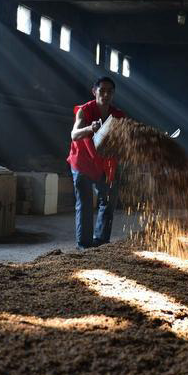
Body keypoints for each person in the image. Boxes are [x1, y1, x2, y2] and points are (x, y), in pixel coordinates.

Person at [66, 77, 126, 250]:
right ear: (94, 92)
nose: (106, 95)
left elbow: (125, 138)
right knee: (84, 204)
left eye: (110, 92)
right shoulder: (84, 111)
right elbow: (74, 135)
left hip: (105, 165)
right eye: (102, 91)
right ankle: (84, 246)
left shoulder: (118, 115)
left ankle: (101, 242)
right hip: (83, 163)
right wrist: (90, 128)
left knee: (108, 201)